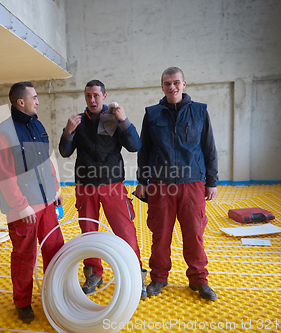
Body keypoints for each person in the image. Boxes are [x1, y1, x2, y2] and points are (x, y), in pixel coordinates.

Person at [59, 79, 147, 299]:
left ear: (104, 96)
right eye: (88, 95)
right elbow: (64, 152)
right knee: (88, 233)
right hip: (85, 187)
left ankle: (135, 274)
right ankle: (93, 274)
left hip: (113, 185)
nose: (92, 100)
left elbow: (135, 145)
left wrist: (124, 120)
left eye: (96, 95)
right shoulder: (78, 122)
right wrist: (68, 132)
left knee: (125, 231)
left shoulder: (115, 119)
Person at [136, 67, 218, 300]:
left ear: (184, 84)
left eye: (175, 83)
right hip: (160, 184)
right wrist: (142, 180)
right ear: (161, 86)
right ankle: (159, 278)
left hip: (192, 183)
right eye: (167, 83)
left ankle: (199, 280)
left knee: (194, 233)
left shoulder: (200, 111)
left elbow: (209, 148)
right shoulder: (152, 114)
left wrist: (211, 181)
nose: (171, 87)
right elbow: (144, 150)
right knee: (160, 234)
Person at [0, 82, 65, 323]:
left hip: (46, 203)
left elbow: (46, 160)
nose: (38, 101)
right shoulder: (3, 133)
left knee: (54, 250)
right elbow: (5, 174)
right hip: (23, 208)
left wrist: (55, 187)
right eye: (34, 97)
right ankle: (22, 303)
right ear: (20, 102)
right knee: (25, 257)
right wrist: (21, 205)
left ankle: (55, 294)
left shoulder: (37, 124)